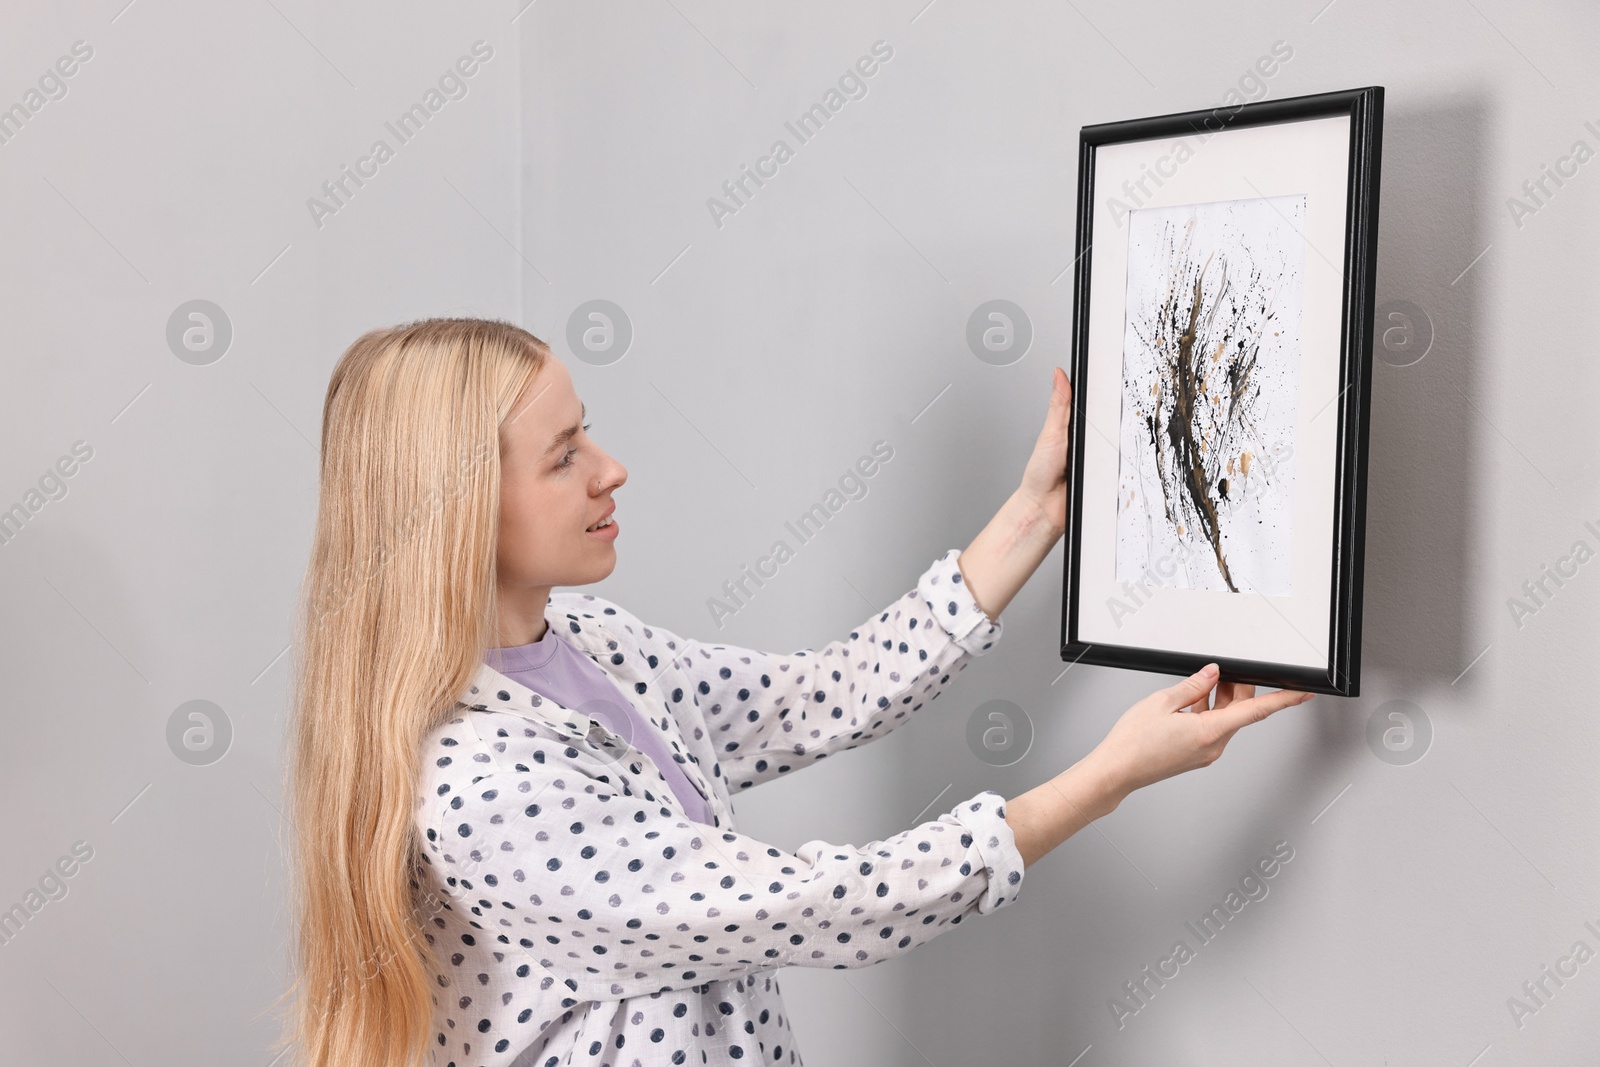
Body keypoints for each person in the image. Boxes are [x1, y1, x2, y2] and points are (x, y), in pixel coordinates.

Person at [275, 317, 1312, 1067]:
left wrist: (1033, 518)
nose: (613, 467)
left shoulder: (587, 640)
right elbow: (816, 904)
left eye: (587, 430)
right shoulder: (480, 784)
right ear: (460, 512)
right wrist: (1108, 777)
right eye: (564, 455)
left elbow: (814, 696)